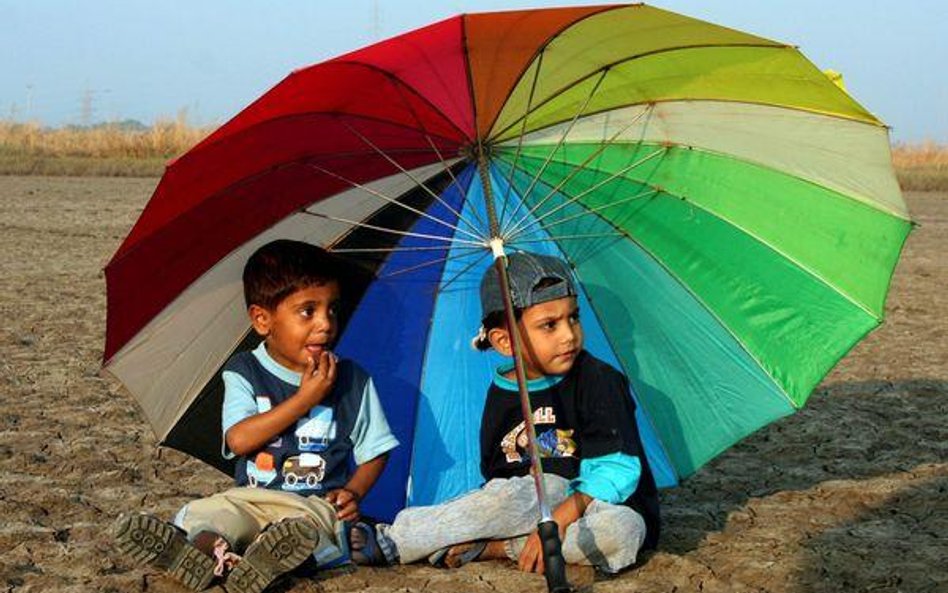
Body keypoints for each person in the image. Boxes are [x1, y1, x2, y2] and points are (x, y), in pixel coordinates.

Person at [113, 239, 399, 593]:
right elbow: (239, 438)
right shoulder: (244, 371)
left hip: (312, 506)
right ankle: (201, 554)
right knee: (215, 512)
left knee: (314, 534)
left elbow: (376, 449)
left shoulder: (353, 379)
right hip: (251, 497)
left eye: (333, 309)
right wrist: (305, 398)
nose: (326, 324)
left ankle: (265, 561)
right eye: (308, 311)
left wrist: (353, 491)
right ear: (262, 320)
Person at [352, 250, 660, 575]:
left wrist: (559, 518)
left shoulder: (598, 379)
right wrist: (532, 495)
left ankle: (501, 547)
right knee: (514, 495)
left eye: (573, 317)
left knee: (620, 531)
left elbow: (617, 467)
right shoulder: (501, 394)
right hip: (531, 503)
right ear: (505, 342)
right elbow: (498, 474)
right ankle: (396, 539)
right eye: (549, 325)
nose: (569, 335)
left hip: (596, 502)